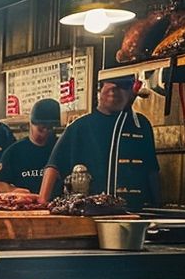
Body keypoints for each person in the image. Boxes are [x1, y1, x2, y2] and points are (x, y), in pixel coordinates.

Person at [38, 76, 160, 210]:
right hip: (91, 213)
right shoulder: (80, 126)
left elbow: (152, 171)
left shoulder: (141, 125)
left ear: (132, 92)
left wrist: (158, 204)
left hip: (135, 211)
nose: (114, 92)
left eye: (122, 87)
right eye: (110, 87)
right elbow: (53, 166)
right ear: (99, 91)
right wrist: (42, 201)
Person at [0, 98, 61, 195]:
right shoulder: (15, 151)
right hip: (25, 206)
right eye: (41, 129)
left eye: (50, 128)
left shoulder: (60, 149)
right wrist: (12, 190)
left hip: (56, 207)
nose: (45, 133)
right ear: (30, 124)